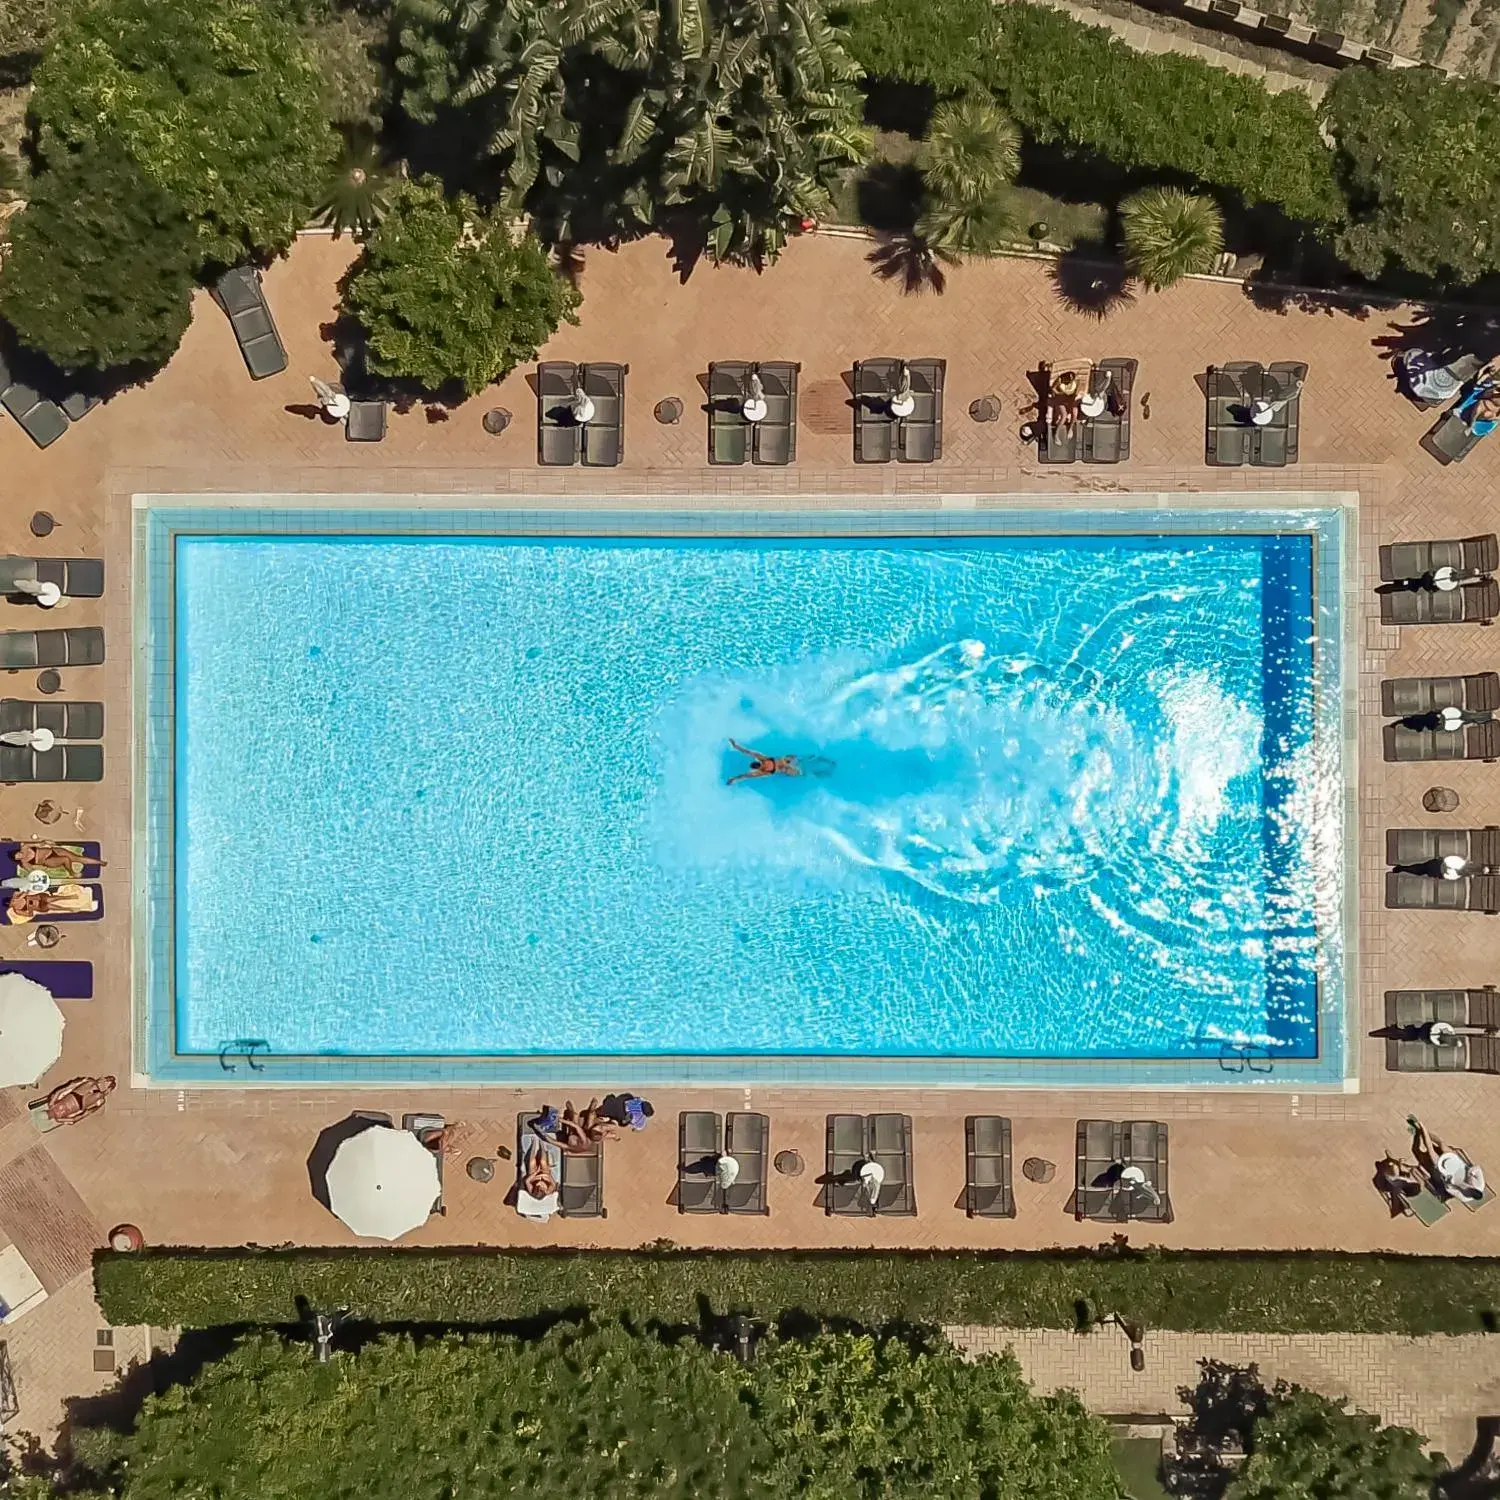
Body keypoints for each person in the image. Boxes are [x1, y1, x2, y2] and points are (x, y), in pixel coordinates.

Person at [1409, 1115, 1487, 1201]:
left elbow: (1449, 1189)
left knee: (1430, 1149)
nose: (1470, 1188)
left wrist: (1449, 1182)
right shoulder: (1480, 1184)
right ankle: (1422, 1131)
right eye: (1472, 1188)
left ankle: (1422, 1128)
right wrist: (1469, 1173)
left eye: (1470, 1191)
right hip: (1457, 1164)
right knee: (1441, 1144)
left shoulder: (1464, 1197)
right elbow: (1477, 1168)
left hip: (1446, 1172)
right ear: (1476, 1188)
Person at [39, 1075, 115, 1124]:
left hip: (75, 1094)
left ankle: (101, 1080)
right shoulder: (59, 1119)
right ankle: (107, 1091)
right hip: (81, 1104)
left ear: (47, 1110)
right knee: (99, 1095)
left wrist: (70, 1086)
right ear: (50, 1118)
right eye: (50, 1115)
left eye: (49, 1112)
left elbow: (58, 1092)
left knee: (90, 1082)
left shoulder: (51, 1104)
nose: (53, 1112)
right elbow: (72, 1120)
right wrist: (85, 1113)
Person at [6, 883, 96, 923]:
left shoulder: (16, 896)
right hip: (39, 907)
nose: (14, 902)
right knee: (50, 905)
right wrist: (30, 909)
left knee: (49, 899)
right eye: (12, 903)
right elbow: (29, 915)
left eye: (13, 901)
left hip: (40, 897)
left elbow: (26, 892)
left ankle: (69, 897)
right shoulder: (17, 910)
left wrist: (21, 897)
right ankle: (68, 908)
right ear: (10, 906)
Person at [727, 739, 801, 786]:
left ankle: (796, 760)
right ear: (757, 768)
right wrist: (733, 779)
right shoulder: (761, 772)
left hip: (781, 761)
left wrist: (735, 746)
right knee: (788, 770)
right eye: (759, 766)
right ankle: (797, 772)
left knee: (786, 759)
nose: (763, 765)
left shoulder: (762, 758)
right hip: (781, 769)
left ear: (759, 762)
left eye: (760, 764)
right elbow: (745, 776)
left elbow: (748, 752)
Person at [16, 842, 104, 878]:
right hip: (47, 861)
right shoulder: (24, 862)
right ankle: (71, 872)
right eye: (18, 858)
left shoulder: (25, 847)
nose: (20, 856)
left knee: (76, 858)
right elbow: (32, 871)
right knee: (65, 859)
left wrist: (46, 842)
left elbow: (39, 844)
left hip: (52, 851)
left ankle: (100, 862)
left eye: (18, 854)